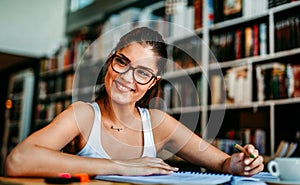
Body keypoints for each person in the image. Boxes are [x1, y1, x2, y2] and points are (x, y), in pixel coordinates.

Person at [5, 27, 264, 177]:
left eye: (142, 72)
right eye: (122, 62)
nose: (126, 78)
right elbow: (17, 161)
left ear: (152, 82)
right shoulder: (84, 115)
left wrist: (240, 163)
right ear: (110, 62)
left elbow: (222, 163)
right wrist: (120, 167)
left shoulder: (158, 123)